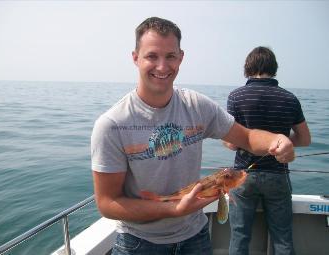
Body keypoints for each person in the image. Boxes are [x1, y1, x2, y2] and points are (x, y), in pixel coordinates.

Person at [91, 18, 295, 255]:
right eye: (151, 56)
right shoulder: (112, 125)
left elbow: (247, 138)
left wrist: (276, 140)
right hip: (139, 244)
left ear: (181, 58)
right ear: (135, 57)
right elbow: (107, 203)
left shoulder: (196, 106)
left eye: (170, 56)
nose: (162, 66)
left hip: (195, 238)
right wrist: (173, 209)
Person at [224, 46, 311, 255]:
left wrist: (249, 141)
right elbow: (304, 139)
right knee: (282, 237)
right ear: (274, 68)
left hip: (242, 177)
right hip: (278, 175)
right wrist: (277, 142)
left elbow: (231, 143)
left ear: (248, 67)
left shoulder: (236, 97)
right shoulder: (289, 99)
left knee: (239, 235)